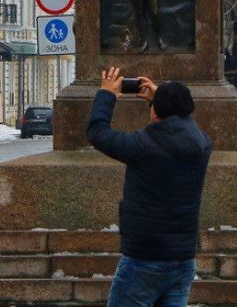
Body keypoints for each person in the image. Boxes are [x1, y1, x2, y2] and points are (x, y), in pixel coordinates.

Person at [87, 66, 213, 307]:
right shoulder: (202, 145)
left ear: (155, 113)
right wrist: (162, 100)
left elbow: (97, 132)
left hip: (144, 259)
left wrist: (106, 94)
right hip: (183, 260)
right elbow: (184, 124)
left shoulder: (143, 145)